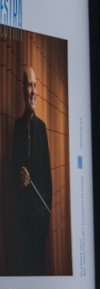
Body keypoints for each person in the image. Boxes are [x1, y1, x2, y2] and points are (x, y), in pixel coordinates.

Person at [10, 64, 52, 275]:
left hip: (40, 215)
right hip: (23, 214)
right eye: (29, 85)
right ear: (22, 89)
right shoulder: (17, 127)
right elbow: (12, 169)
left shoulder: (42, 127)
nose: (33, 91)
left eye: (35, 85)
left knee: (39, 266)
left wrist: (46, 214)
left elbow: (47, 173)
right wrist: (19, 178)